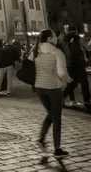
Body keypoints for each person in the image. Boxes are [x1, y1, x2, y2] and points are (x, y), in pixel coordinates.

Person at [31, 29, 71, 159]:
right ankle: (57, 149)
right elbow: (61, 73)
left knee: (51, 113)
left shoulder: (36, 50)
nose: (56, 38)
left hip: (39, 87)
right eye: (54, 36)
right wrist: (68, 80)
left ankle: (41, 138)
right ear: (49, 39)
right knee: (56, 117)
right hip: (53, 87)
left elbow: (28, 60)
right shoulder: (57, 52)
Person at [62, 27, 90, 111]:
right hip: (77, 65)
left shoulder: (65, 40)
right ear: (76, 32)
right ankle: (87, 103)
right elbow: (76, 53)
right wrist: (83, 61)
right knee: (84, 83)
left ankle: (61, 98)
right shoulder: (75, 39)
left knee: (72, 84)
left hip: (70, 65)